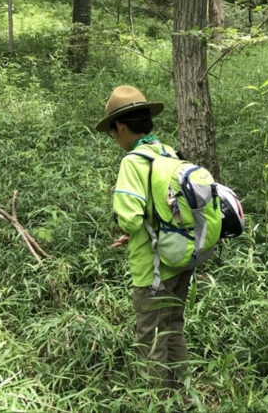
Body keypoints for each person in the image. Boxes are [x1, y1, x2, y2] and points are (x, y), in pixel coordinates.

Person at [96, 85, 191, 394]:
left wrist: (126, 227)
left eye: (114, 133)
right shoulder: (168, 152)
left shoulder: (133, 162)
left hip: (151, 269)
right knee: (173, 329)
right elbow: (167, 210)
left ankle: (157, 401)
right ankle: (183, 396)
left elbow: (130, 217)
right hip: (180, 259)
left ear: (120, 126)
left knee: (150, 339)